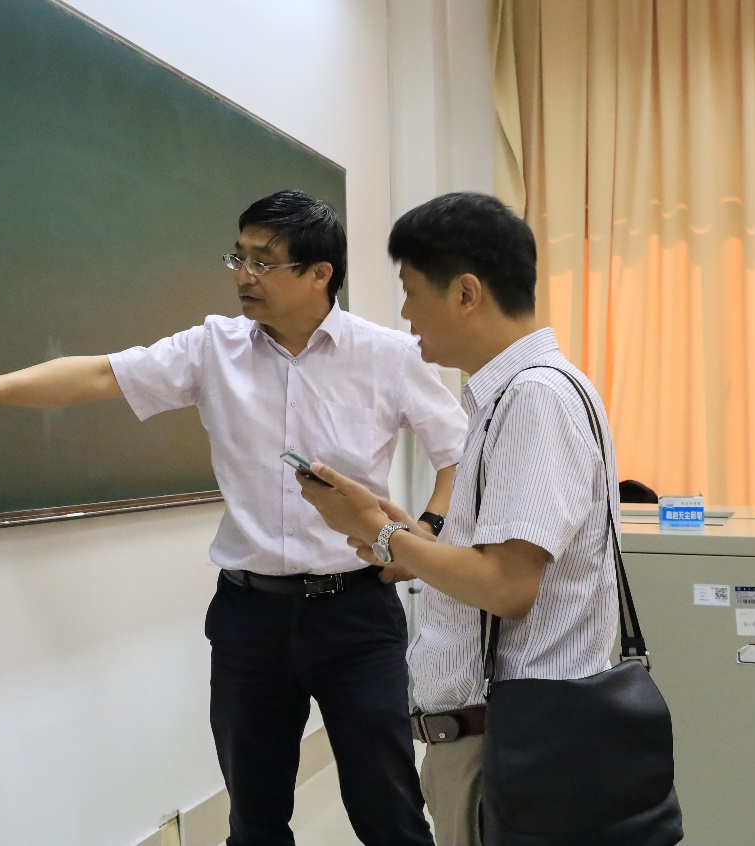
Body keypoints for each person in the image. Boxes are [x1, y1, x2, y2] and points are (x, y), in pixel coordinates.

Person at [0, 190, 467, 846]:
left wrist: (425, 533)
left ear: (320, 273)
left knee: (387, 811)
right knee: (253, 819)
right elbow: (99, 376)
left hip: (356, 614)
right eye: (238, 256)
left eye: (263, 262)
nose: (242, 274)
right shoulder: (212, 348)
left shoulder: (386, 355)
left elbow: (458, 451)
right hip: (249, 617)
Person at [298, 192, 619, 846]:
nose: (405, 312)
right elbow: (495, 560)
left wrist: (383, 532)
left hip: (510, 746)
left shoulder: (533, 398)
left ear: (466, 293)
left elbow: (506, 586)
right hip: (510, 737)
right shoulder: (517, 395)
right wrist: (410, 540)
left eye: (411, 290)